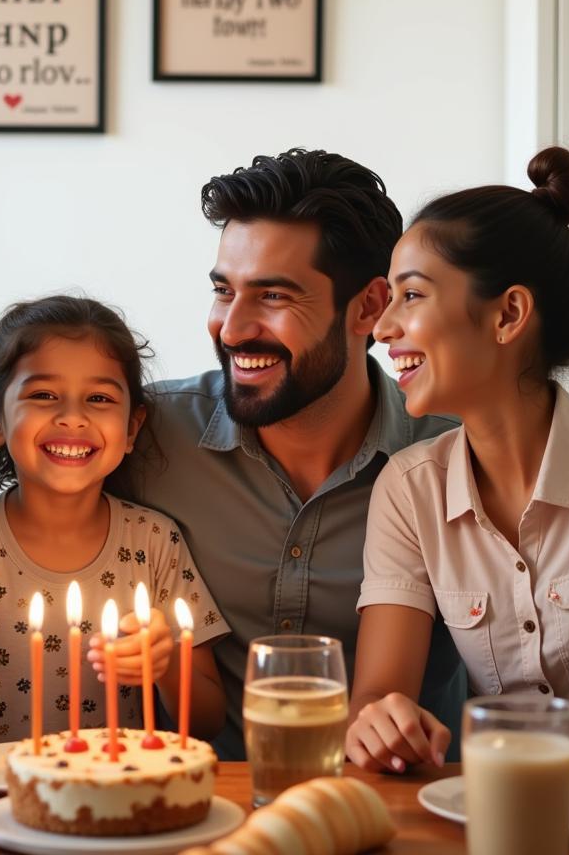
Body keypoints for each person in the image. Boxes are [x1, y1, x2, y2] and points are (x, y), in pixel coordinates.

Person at [125, 147, 465, 759]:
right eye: (224, 291)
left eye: (273, 297)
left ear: (369, 307)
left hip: (398, 809)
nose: (231, 329)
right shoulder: (144, 436)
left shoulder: (454, 456)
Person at [346, 145, 569, 768]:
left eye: (411, 296)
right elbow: (376, 698)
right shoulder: (410, 491)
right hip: (501, 813)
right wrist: (380, 725)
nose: (382, 328)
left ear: (508, 314)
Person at [0, 295, 227, 753]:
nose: (72, 417)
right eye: (43, 395)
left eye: (99, 398)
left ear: (132, 428)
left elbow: (207, 722)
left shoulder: (155, 542)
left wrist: (165, 665)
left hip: (116, 800)